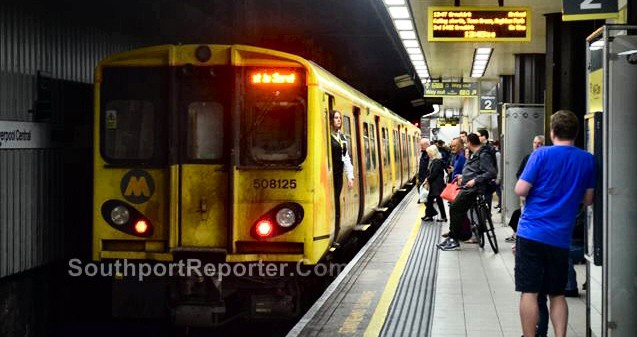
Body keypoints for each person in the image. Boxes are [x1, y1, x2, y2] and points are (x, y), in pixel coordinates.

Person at [514, 110, 595, 337]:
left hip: (531, 233)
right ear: (576, 133)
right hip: (560, 236)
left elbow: (520, 189)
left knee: (529, 291)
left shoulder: (540, 155)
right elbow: (588, 200)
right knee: (557, 293)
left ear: (552, 132)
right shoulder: (587, 160)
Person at [437, 133, 497, 251]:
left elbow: (491, 172)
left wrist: (474, 181)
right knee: (457, 208)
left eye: (466, 143)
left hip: (474, 188)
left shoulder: (483, 154)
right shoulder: (476, 153)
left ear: (469, 142)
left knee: (455, 207)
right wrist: (463, 176)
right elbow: (475, 170)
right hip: (469, 186)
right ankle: (455, 235)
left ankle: (454, 238)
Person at [506, 135, 545, 242]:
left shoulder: (545, 159)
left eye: (540, 143)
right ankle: (518, 235)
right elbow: (519, 173)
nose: (537, 145)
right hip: (526, 192)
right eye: (535, 142)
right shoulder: (528, 158)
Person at [330, 110, 354, 238]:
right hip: (330, 174)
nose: (339, 120)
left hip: (338, 175)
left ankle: (336, 230)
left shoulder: (342, 138)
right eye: (336, 118)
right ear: (330, 120)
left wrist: (350, 176)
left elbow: (346, 158)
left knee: (337, 201)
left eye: (339, 118)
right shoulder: (328, 137)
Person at [421, 145, 447, 222]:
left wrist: (427, 179)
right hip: (436, 184)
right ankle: (432, 215)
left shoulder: (436, 161)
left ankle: (439, 216)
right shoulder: (436, 160)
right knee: (432, 200)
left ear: (432, 152)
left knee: (432, 200)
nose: (428, 154)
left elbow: (434, 173)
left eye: (429, 152)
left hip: (436, 185)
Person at [417, 138, 430, 204]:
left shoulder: (429, 154)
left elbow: (429, 167)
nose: (421, 146)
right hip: (422, 176)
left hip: (425, 176)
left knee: (425, 189)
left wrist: (427, 177)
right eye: (420, 145)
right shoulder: (424, 153)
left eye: (422, 145)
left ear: (427, 145)